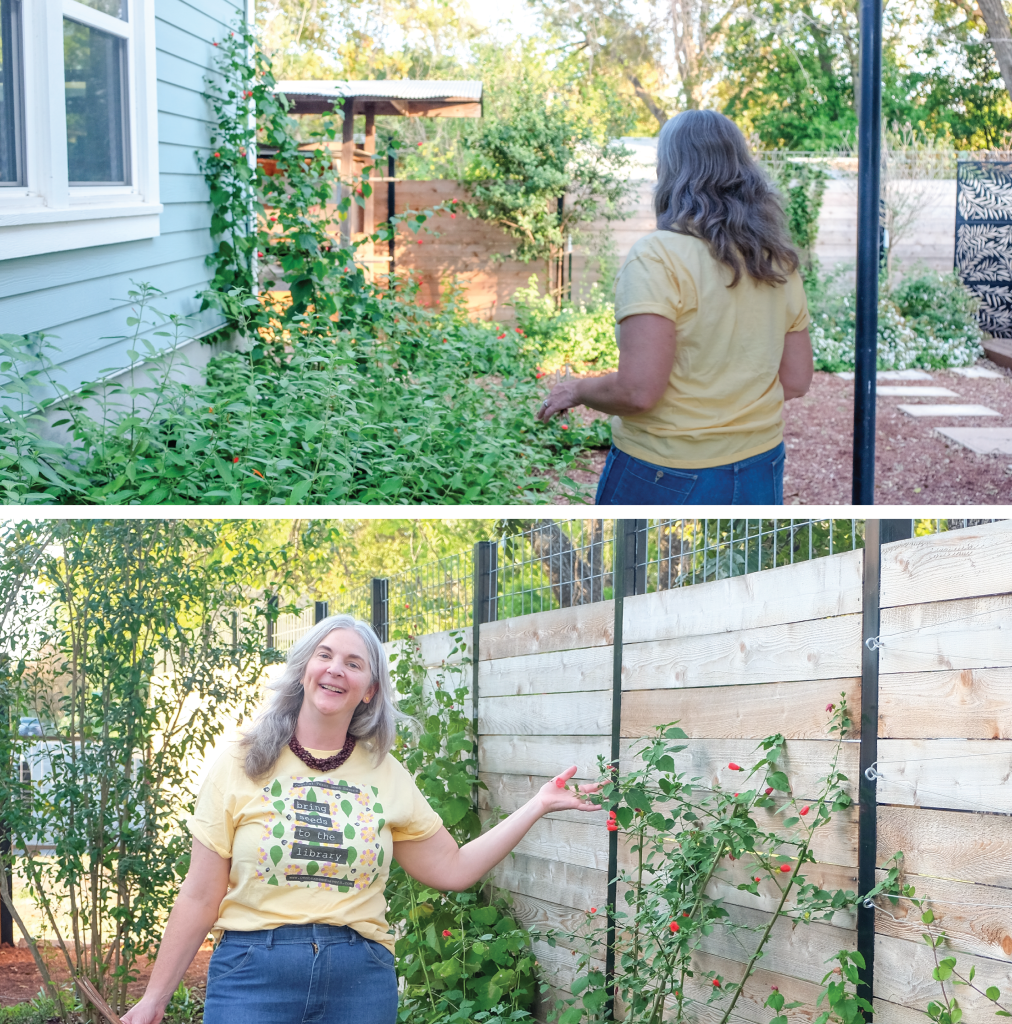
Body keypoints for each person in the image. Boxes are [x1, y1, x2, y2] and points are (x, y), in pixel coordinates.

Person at [122, 614, 599, 1024]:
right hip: (252, 974)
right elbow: (201, 894)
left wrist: (537, 805)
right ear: (305, 670)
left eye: (353, 663)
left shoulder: (385, 773)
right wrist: (154, 998)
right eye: (325, 656)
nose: (336, 670)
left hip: (358, 979)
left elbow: (453, 869)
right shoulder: (242, 763)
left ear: (369, 689)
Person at [536, 109, 814, 505]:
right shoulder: (776, 262)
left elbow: (637, 392)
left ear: (671, 172)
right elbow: (797, 380)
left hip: (667, 470)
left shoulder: (657, 257)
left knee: (633, 569)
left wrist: (577, 390)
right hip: (759, 465)